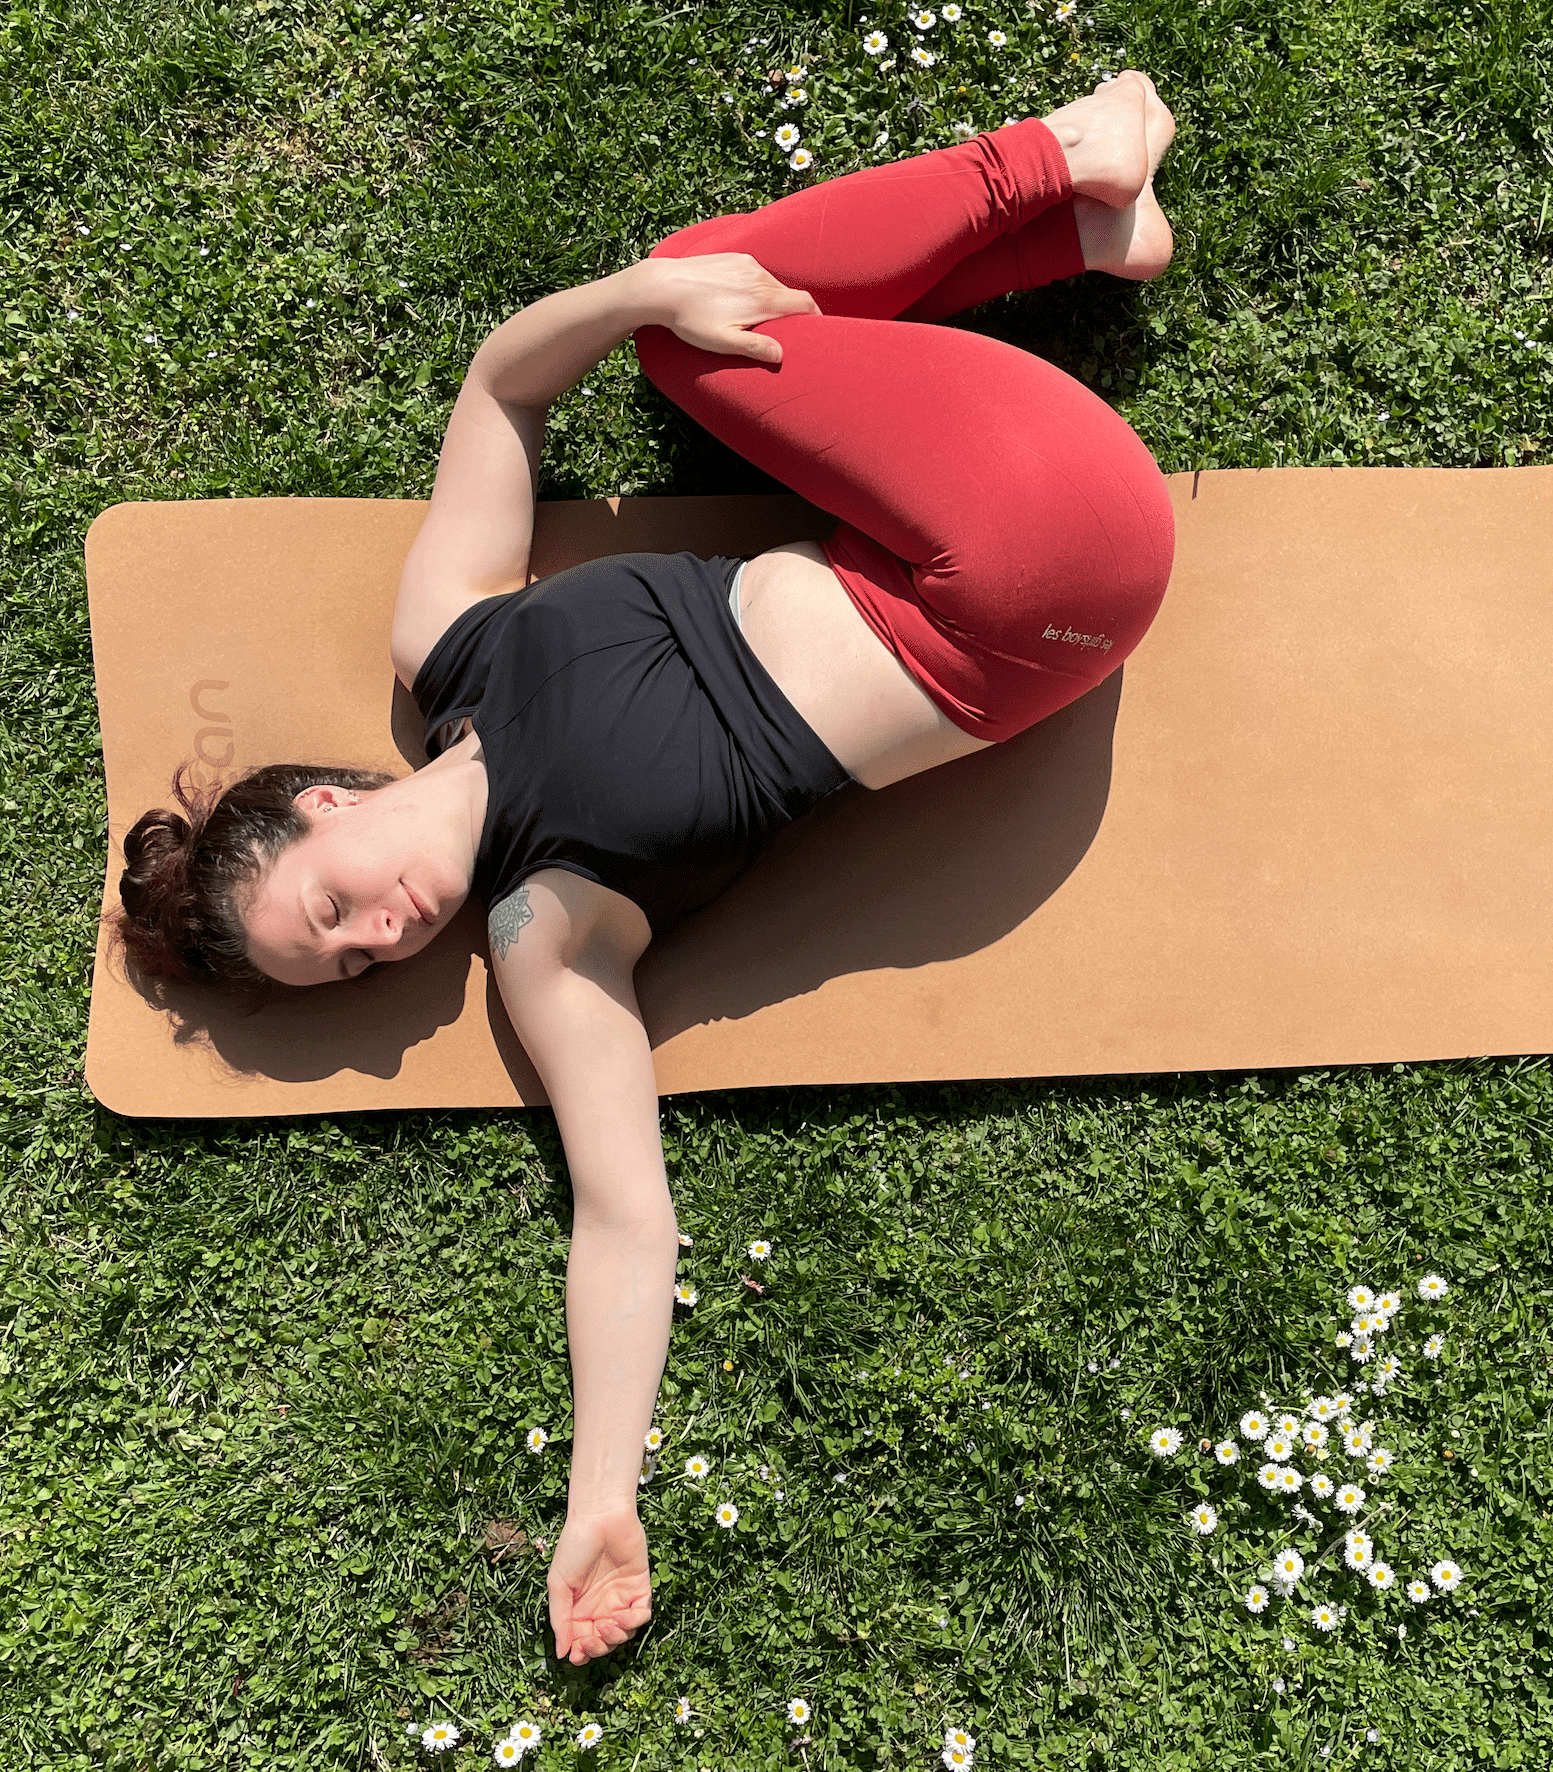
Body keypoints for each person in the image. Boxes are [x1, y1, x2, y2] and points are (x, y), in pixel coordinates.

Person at [112, 73, 1179, 1666]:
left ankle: (1086, 218)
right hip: (1030, 575)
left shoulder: (446, 645)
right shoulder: (550, 930)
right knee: (704, 318)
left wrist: (626, 297)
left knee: (688, 303)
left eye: (331, 905)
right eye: (344, 964)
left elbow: (500, 392)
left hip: (937, 521)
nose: (381, 937)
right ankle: (1059, 169)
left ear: (333, 799)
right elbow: (624, 1215)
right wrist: (600, 1493)